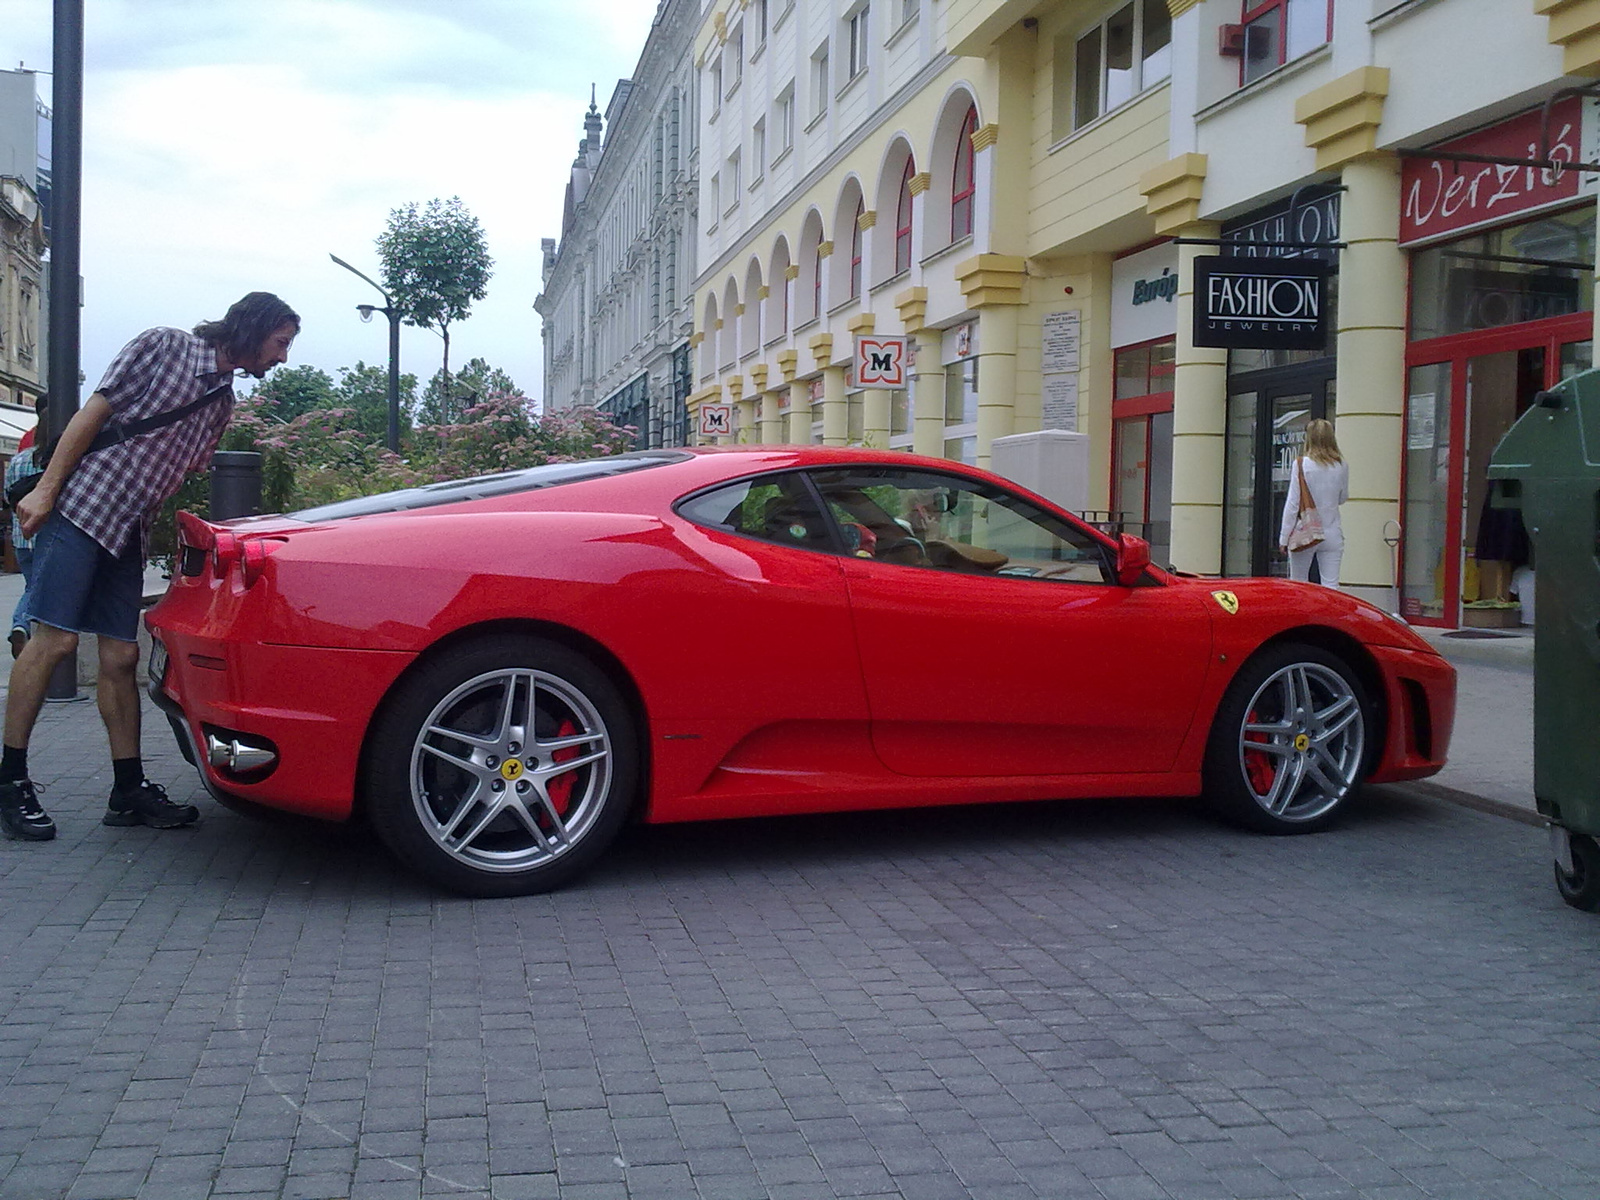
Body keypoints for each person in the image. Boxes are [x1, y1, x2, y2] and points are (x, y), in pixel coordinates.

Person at [0, 293, 299, 842]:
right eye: (280, 343)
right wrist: (46, 489)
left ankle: (127, 790)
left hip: (127, 530)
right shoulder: (165, 345)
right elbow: (94, 414)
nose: (282, 357)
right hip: (82, 508)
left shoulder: (222, 402)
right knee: (55, 642)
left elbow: (174, 471)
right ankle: (10, 780)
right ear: (253, 328)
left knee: (122, 655)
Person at [1279, 417, 1348, 589]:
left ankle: (1302, 615)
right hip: (1332, 532)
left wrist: (1284, 538)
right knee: (1331, 585)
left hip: (1306, 531)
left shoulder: (1301, 464)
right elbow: (1342, 498)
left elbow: (1293, 504)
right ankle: (1329, 615)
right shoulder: (1341, 465)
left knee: (1299, 584)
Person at [5, 397, 48, 658]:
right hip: (46, 535)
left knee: (33, 584)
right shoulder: (54, 458)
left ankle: (29, 631)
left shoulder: (19, 459)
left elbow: (7, 496)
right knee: (37, 588)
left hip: (21, 538)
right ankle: (21, 625)